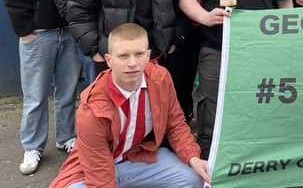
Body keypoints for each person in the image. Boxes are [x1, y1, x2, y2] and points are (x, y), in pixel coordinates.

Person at [179, 0, 293, 158]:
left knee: (255, 105)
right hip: (216, 49)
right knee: (211, 109)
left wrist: (285, 38)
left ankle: (253, 161)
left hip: (260, 52)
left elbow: (285, 2)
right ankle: (209, 163)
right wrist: (204, 16)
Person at [49, 23, 209, 188]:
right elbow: (99, 176)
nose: (132, 63)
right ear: (109, 60)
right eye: (123, 56)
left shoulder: (160, 78)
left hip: (137, 157)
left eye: (139, 54)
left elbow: (175, 124)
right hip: (91, 170)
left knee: (194, 177)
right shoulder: (91, 109)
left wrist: (193, 158)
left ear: (148, 56)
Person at [1, 0, 80, 175]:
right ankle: (32, 146)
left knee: (68, 92)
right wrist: (25, 31)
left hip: (70, 34)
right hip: (39, 35)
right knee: (35, 96)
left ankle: (67, 138)